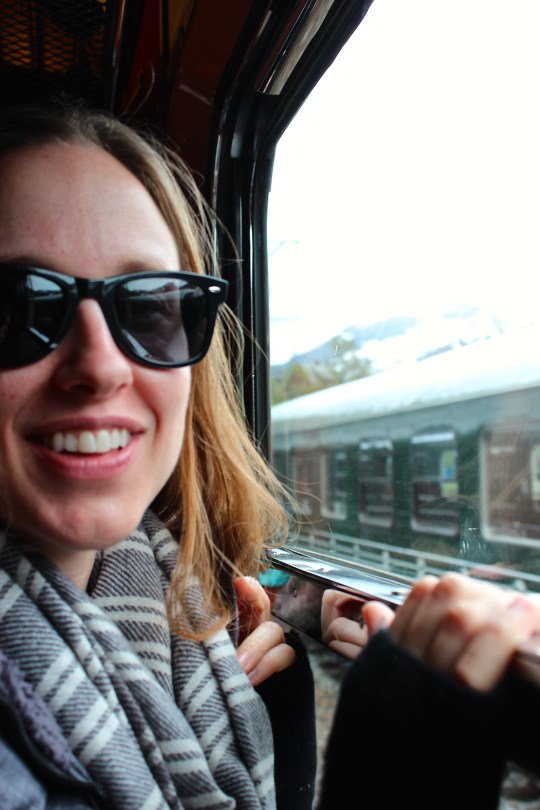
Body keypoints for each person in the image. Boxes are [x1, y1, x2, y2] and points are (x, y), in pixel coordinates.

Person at [0, 103, 539, 810]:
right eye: (18, 308)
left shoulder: (167, 611)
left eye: (148, 308)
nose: (100, 367)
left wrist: (274, 697)